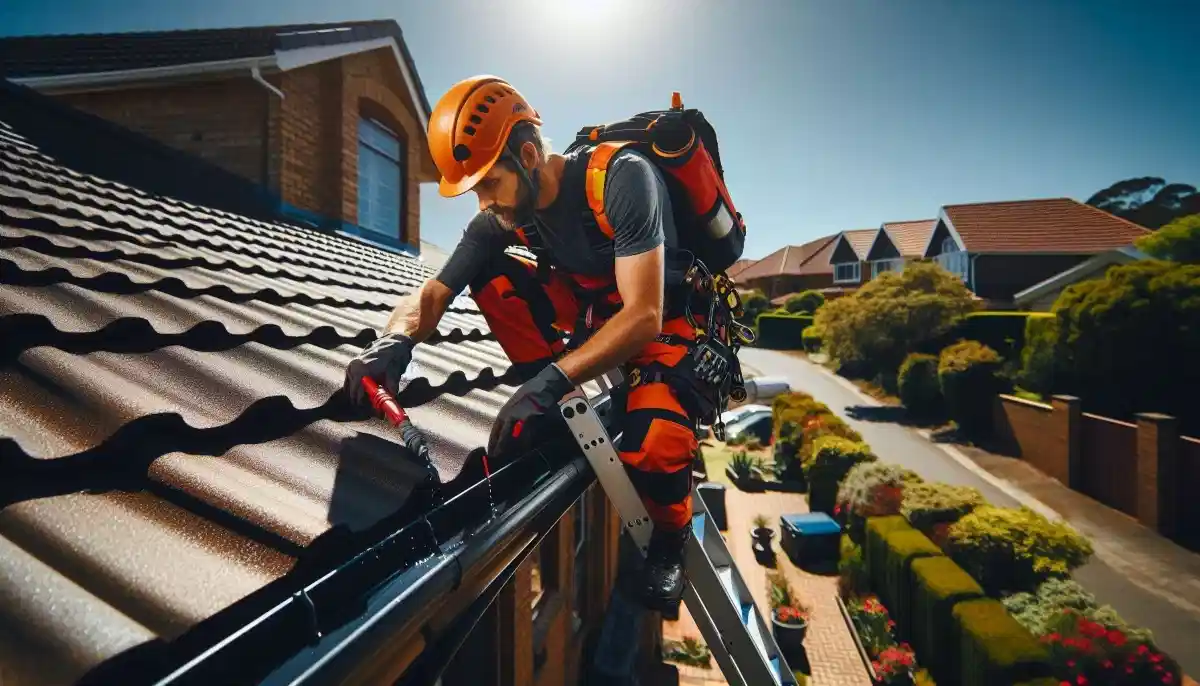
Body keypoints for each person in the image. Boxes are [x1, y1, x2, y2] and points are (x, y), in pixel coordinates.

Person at [343, 75, 722, 612]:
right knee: (490, 273)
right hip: (596, 314)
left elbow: (643, 314)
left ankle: (669, 541)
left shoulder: (620, 179)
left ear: (527, 154)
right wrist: (391, 343)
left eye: (490, 183)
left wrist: (554, 381)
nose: (484, 200)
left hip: (667, 319)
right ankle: (547, 395)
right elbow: (434, 292)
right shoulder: (502, 216)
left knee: (656, 441)